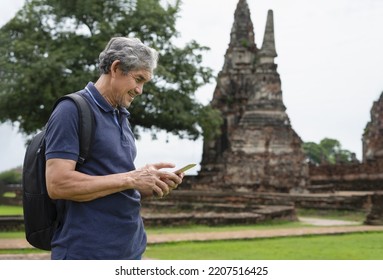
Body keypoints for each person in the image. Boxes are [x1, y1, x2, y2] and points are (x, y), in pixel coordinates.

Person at [44, 37, 183, 260]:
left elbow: (113, 183)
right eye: (138, 79)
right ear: (116, 68)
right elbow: (58, 184)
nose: (140, 90)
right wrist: (131, 179)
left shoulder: (122, 116)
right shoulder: (71, 110)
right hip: (87, 255)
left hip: (130, 251)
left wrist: (147, 184)